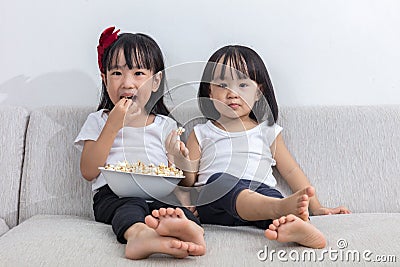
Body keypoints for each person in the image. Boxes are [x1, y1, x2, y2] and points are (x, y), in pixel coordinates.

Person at [165, 45, 350, 249]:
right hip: (216, 202)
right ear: (209, 91)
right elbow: (189, 180)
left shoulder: (267, 131)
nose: (232, 94)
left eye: (243, 84)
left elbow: (290, 170)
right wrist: (180, 160)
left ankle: (298, 227)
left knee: (273, 198)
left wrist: (317, 207)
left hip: (261, 195)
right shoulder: (201, 132)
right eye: (223, 85)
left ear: (258, 92)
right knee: (219, 181)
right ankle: (280, 210)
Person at [74, 26, 205, 260]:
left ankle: (181, 229)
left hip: (160, 195)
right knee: (129, 207)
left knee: (176, 211)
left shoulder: (166, 125)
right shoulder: (99, 120)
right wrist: (113, 125)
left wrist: (178, 158)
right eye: (116, 73)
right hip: (113, 194)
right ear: (104, 80)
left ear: (155, 81)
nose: (127, 83)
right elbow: (88, 170)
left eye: (138, 73)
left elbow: (183, 179)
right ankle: (138, 235)